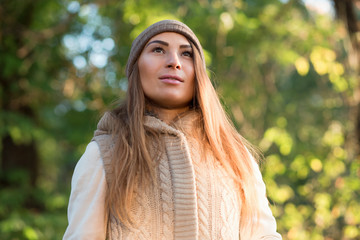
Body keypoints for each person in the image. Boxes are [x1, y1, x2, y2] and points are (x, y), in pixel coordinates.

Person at [63, 19, 282, 240]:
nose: (174, 62)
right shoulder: (103, 154)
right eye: (158, 49)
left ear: (199, 74)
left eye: (187, 54)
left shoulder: (234, 156)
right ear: (135, 68)